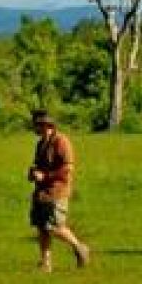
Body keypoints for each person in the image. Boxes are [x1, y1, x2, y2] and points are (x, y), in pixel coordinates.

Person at [26, 109, 91, 272]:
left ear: (45, 125)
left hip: (57, 191)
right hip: (42, 192)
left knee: (55, 226)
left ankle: (79, 247)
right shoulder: (41, 144)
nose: (34, 128)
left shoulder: (61, 142)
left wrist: (45, 176)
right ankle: (45, 263)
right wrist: (33, 173)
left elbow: (67, 169)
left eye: (36, 124)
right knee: (42, 227)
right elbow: (38, 165)